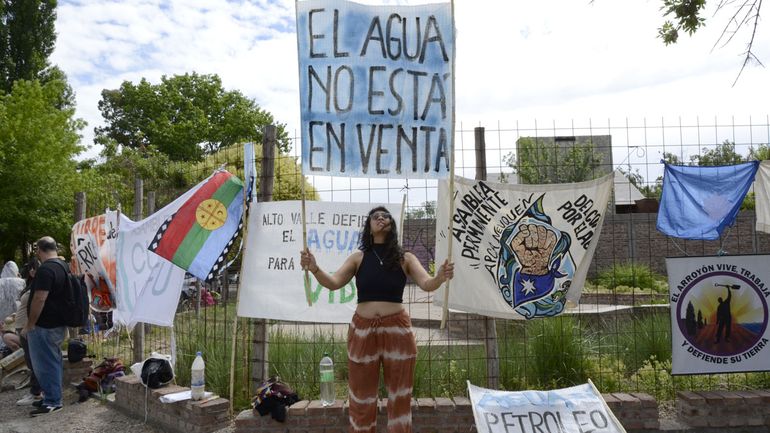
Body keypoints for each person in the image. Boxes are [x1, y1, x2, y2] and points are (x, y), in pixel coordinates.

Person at [300, 206, 454, 433]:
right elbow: (333, 283)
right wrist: (314, 268)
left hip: (398, 332)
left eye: (386, 216)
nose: (381, 218)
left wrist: (440, 277)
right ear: (369, 227)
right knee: (361, 398)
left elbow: (427, 284)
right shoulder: (358, 257)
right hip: (363, 331)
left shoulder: (406, 258)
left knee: (400, 397)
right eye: (376, 216)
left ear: (391, 225)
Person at [22, 237, 68, 416]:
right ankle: (52, 396)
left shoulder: (46, 270)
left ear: (39, 250)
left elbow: (40, 298)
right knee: (52, 361)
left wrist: (30, 324)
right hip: (57, 323)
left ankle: (53, 401)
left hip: (44, 325)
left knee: (44, 364)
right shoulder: (63, 267)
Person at [15, 257, 43, 406]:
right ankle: (36, 391)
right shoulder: (31, 286)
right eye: (31, 267)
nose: (32, 270)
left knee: (33, 362)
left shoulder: (38, 287)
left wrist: (28, 325)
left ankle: (36, 393)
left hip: (27, 328)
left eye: (35, 267)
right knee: (30, 361)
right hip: (22, 328)